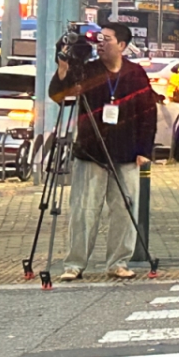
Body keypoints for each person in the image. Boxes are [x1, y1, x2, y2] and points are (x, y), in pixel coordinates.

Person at [49, 22, 157, 281]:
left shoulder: (135, 74)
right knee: (84, 210)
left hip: (128, 152)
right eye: (99, 38)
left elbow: (148, 112)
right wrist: (63, 67)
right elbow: (60, 96)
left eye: (106, 39)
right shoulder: (88, 71)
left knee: (124, 208)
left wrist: (145, 149)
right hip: (91, 151)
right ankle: (75, 264)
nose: (100, 43)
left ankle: (118, 262)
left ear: (121, 45)